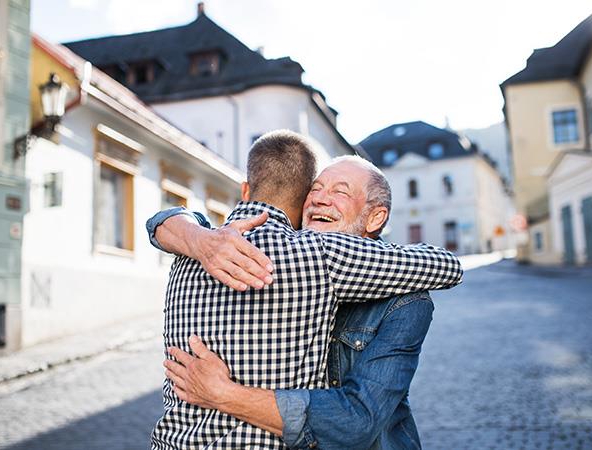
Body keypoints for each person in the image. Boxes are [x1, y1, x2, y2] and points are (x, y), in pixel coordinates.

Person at [147, 130, 462, 449]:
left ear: (375, 216)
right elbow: (167, 222)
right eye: (315, 189)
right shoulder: (300, 252)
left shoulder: (404, 299)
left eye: (340, 191)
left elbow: (357, 422)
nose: (321, 198)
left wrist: (225, 394)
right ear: (299, 200)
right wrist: (197, 239)